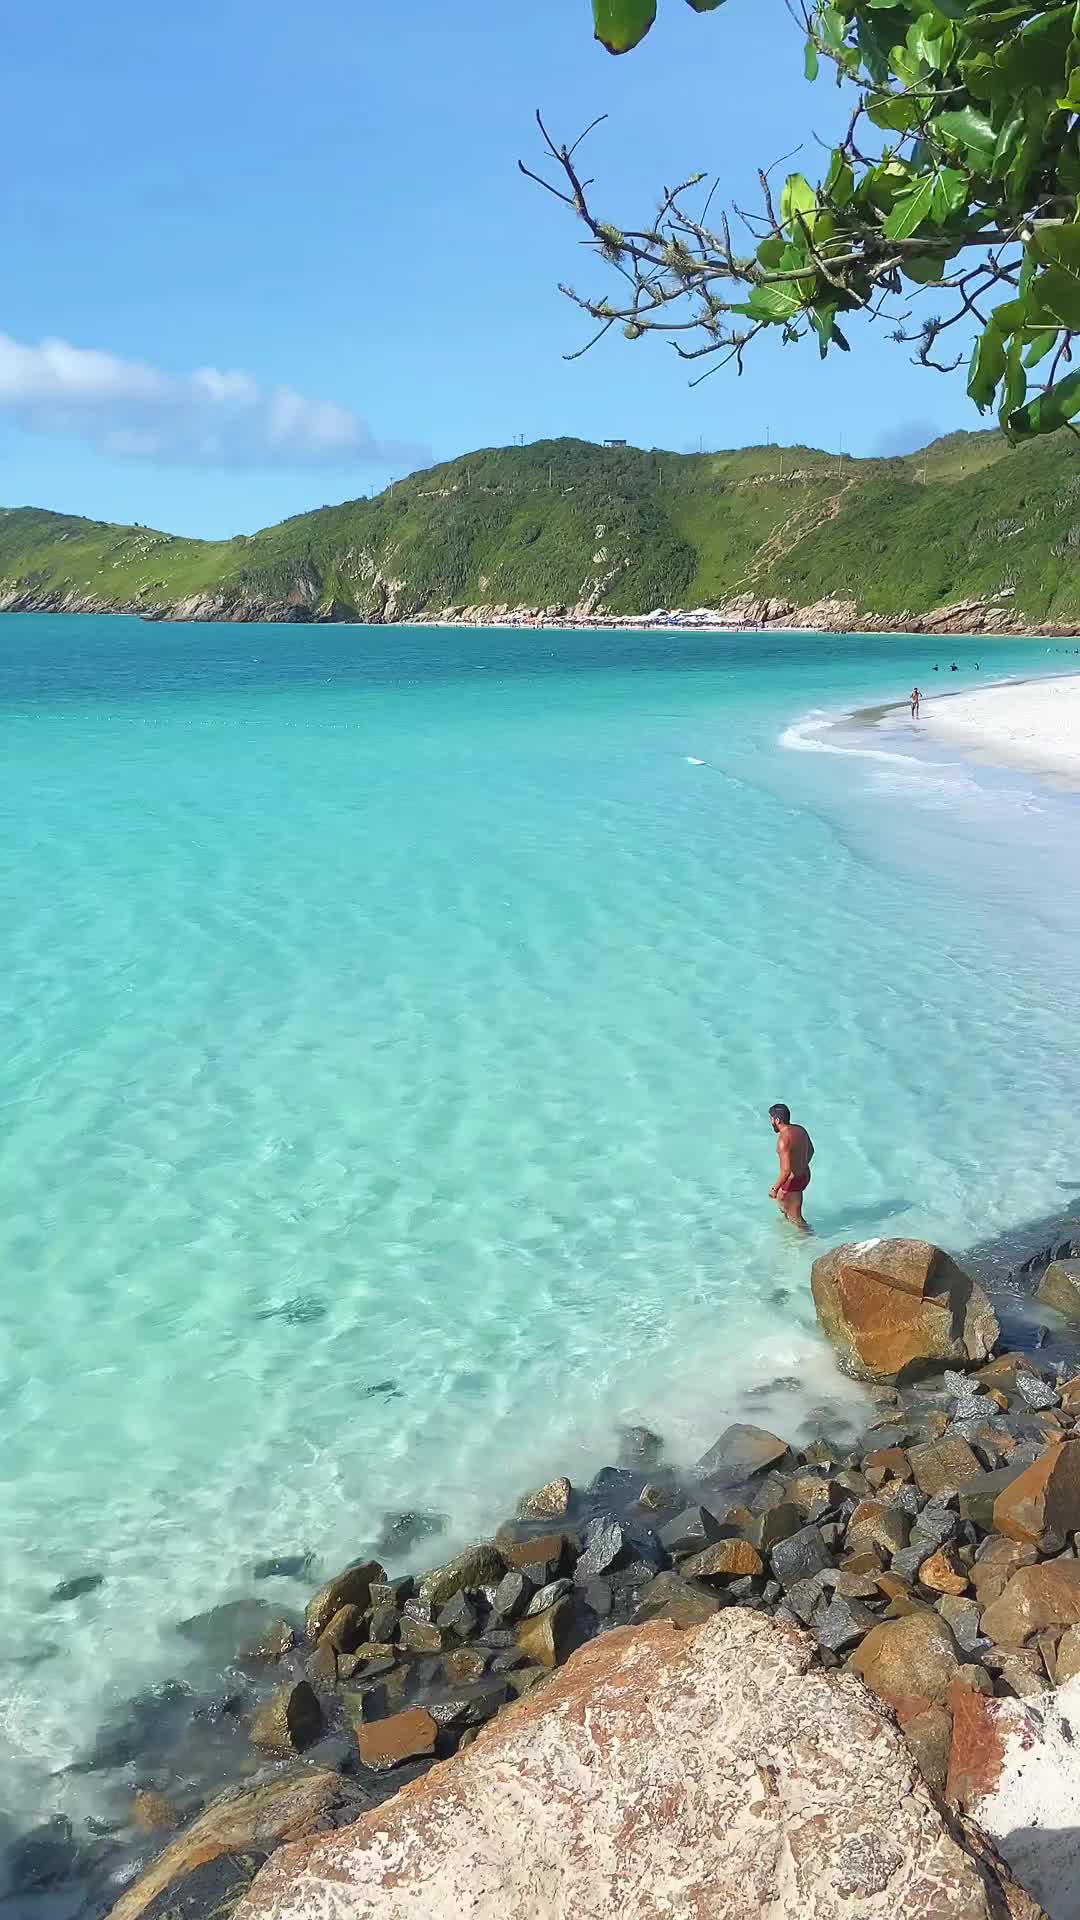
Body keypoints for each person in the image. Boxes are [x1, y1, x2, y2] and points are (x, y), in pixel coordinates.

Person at [768, 1103, 814, 1232]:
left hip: (794, 1181)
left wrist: (774, 1188)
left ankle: (810, 1238)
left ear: (777, 1120)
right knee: (782, 1200)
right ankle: (787, 1222)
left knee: (797, 1218)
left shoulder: (783, 1140)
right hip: (805, 1174)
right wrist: (801, 1165)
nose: (771, 1122)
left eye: (771, 1119)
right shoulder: (800, 1129)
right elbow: (811, 1151)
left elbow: (786, 1171)